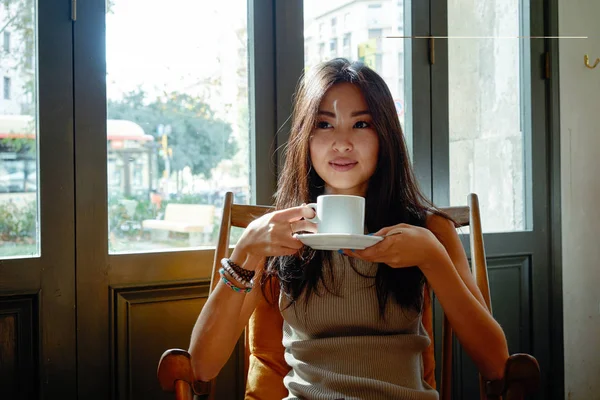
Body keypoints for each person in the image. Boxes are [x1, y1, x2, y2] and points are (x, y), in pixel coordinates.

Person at [188, 58, 509, 400]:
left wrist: (433, 259)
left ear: (385, 136)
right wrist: (245, 251)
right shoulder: (280, 233)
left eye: (361, 124)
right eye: (325, 125)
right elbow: (202, 367)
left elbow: (496, 365)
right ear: (305, 138)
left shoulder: (428, 230)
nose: (342, 143)